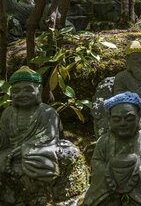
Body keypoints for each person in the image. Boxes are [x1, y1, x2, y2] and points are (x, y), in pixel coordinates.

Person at [0, 66, 85, 205]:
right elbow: (4, 137)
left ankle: (40, 197)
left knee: (36, 160)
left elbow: (49, 137)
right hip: (11, 150)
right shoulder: (8, 113)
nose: (21, 94)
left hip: (37, 150)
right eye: (16, 91)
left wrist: (25, 148)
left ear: (38, 90)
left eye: (28, 89)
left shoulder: (47, 112)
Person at [83, 92, 141, 206]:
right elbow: (96, 161)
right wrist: (109, 171)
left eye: (129, 118)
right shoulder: (104, 141)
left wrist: (136, 171)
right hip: (109, 191)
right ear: (109, 119)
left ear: (139, 116)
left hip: (140, 193)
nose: (123, 123)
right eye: (116, 119)